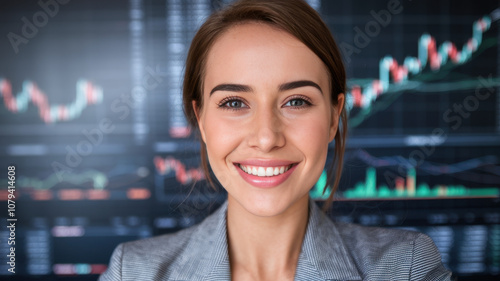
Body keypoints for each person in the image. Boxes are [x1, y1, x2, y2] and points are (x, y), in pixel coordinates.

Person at [99, 0, 453, 280]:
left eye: (296, 102)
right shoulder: (134, 271)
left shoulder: (406, 268)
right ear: (201, 120)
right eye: (234, 103)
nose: (266, 138)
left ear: (333, 117)